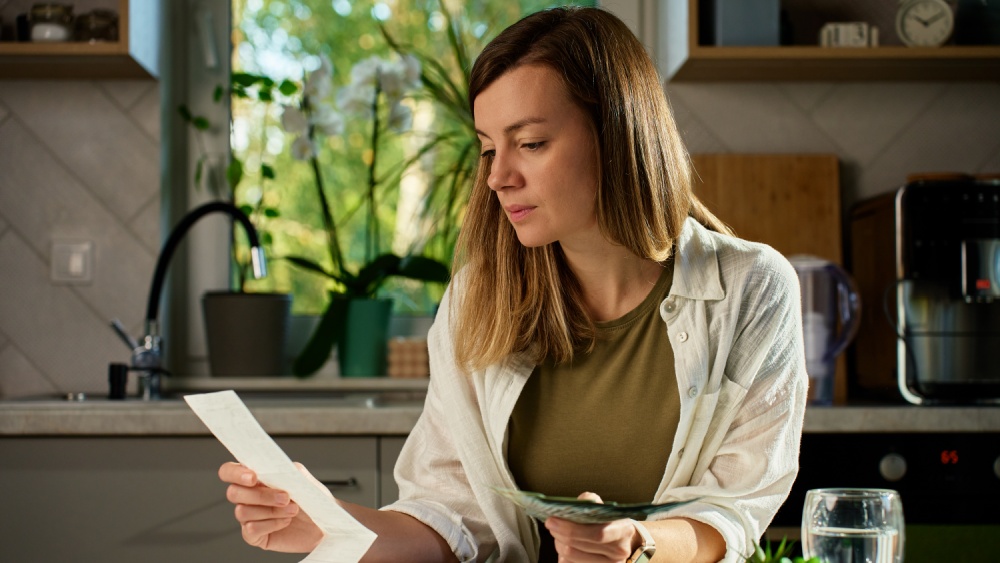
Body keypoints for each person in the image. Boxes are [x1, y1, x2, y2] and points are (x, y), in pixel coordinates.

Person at [218, 6, 807, 563]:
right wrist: (331, 523)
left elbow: (733, 511)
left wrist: (636, 543)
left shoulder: (751, 288)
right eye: (487, 149)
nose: (498, 176)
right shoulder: (478, 299)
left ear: (618, 135)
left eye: (530, 144)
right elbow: (450, 519)